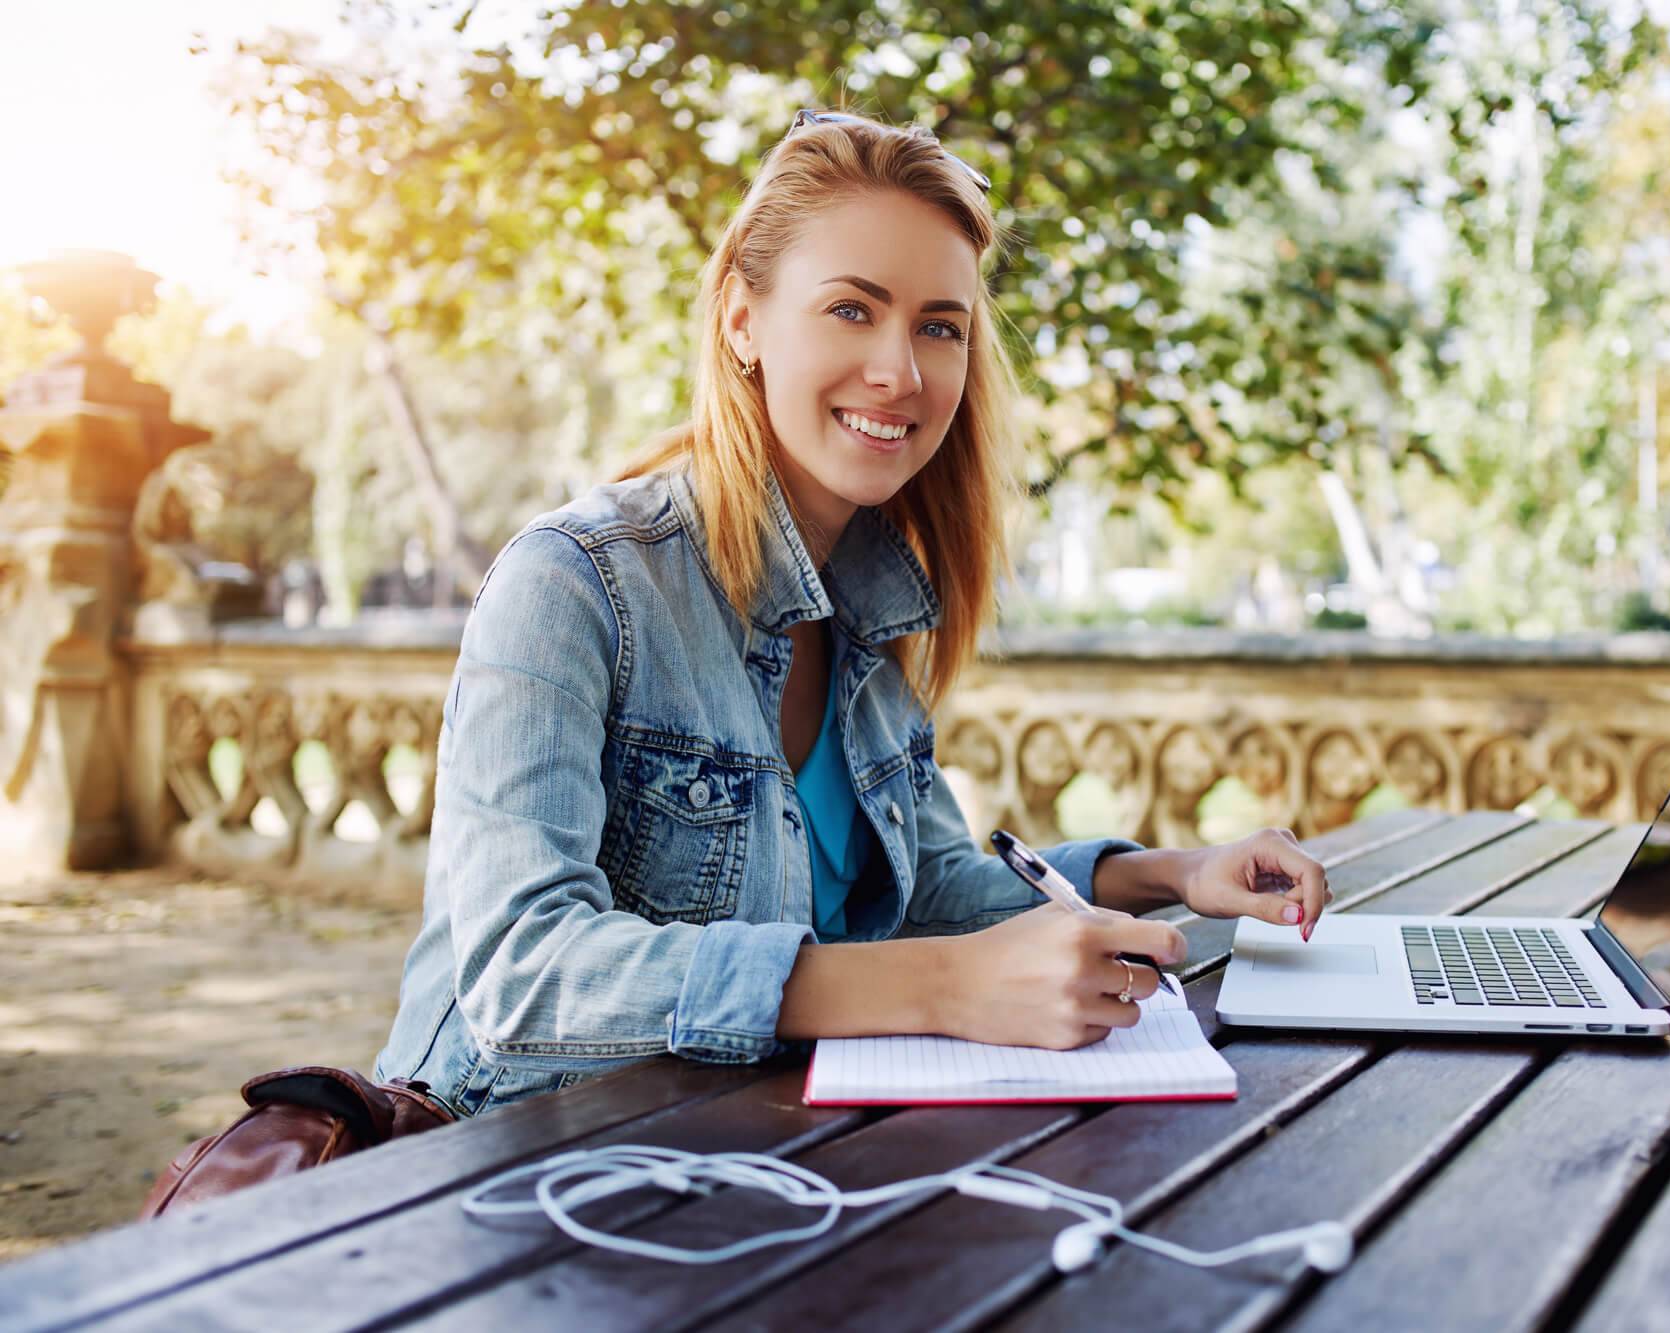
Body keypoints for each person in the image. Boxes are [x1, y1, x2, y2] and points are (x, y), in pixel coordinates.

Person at [373, 109, 1330, 1119]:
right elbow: (524, 972)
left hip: (751, 1161)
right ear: (742, 319)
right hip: (510, 1173)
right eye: (850, 310)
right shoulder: (573, 584)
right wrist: (942, 988)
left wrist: (1171, 873)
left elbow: (921, 890)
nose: (901, 372)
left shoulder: (871, 597)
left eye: (938, 326)